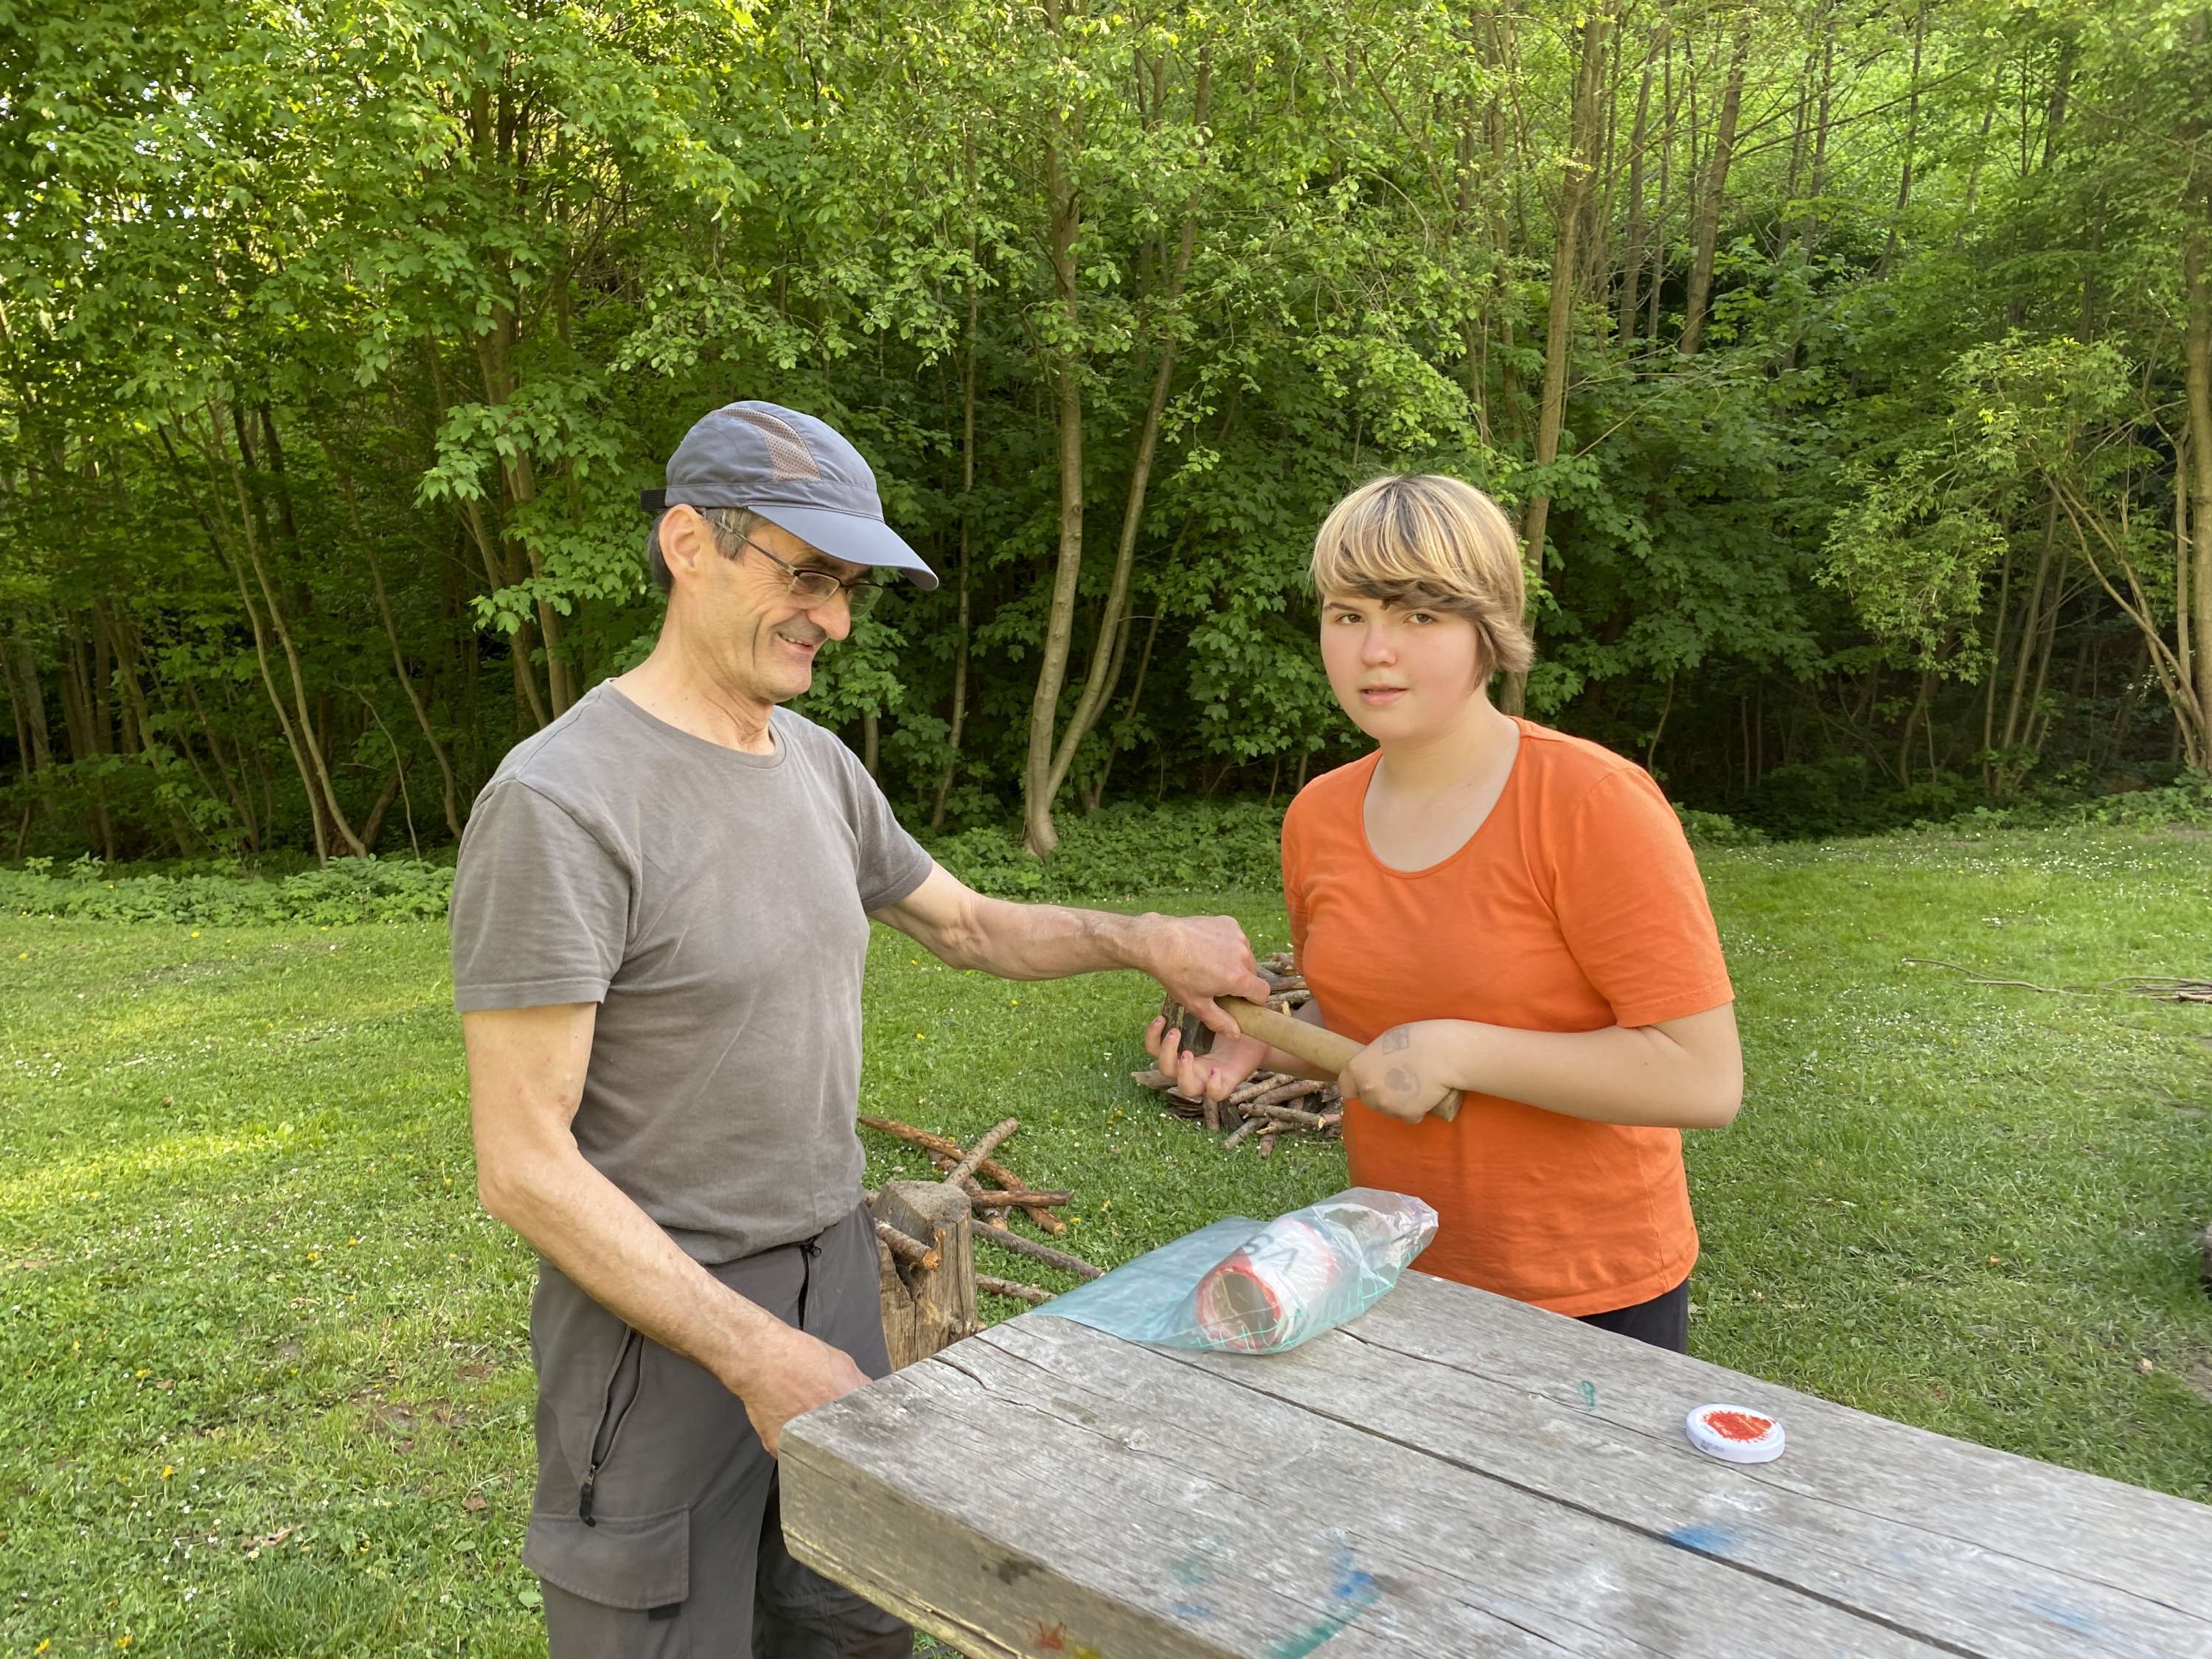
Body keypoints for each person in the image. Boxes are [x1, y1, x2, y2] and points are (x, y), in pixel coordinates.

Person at [450, 400, 1270, 1659]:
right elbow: (523, 1164)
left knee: (852, 1622)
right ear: (689, 544)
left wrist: (1142, 936)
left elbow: (970, 925)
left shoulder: (819, 764)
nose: (833, 618)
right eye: (808, 575)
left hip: (832, 1271)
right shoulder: (562, 801)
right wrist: (753, 1355)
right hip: (659, 1324)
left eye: (849, 587)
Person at [1147, 473, 1742, 1354]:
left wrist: (1460, 1051)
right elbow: (1367, 1017)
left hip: (1588, 1292)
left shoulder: (1590, 802)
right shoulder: (1318, 816)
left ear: (1488, 632)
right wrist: (1263, 1044)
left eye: (1419, 615)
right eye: (1348, 615)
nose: (1374, 650)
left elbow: (1703, 1080)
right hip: (1391, 1261)